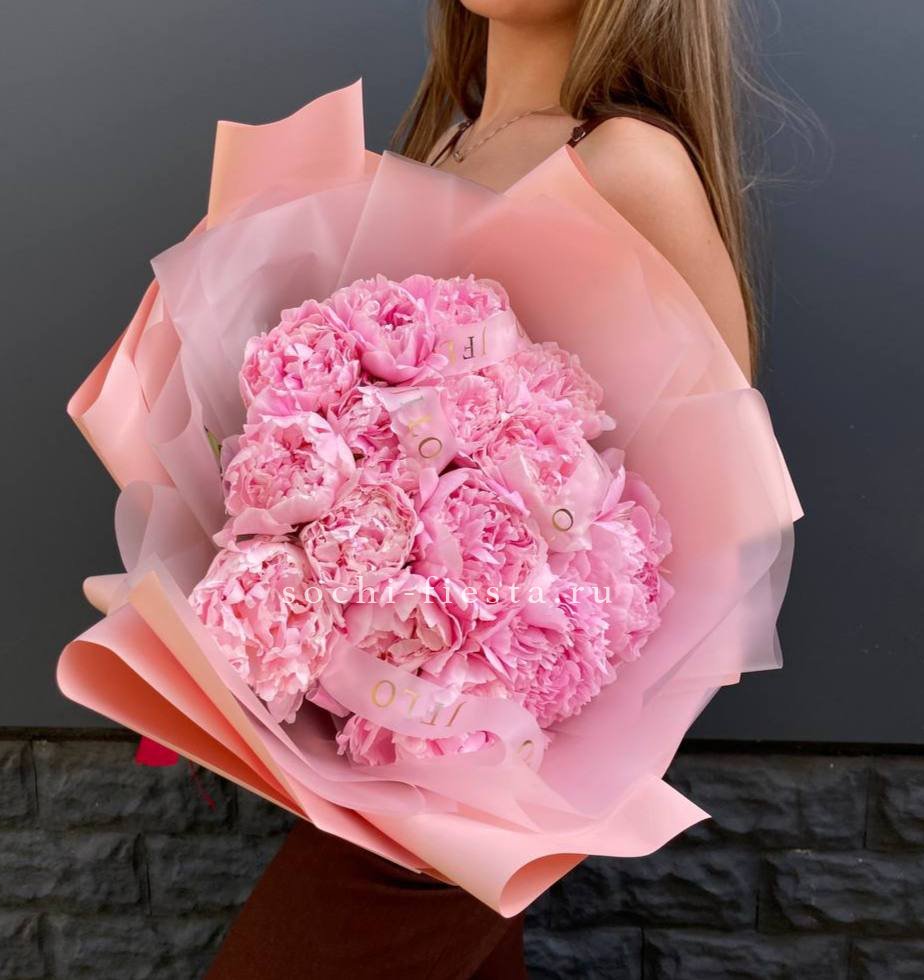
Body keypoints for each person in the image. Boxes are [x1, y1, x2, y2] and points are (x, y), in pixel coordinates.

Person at [208, 1, 758, 976]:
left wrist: (516, 699)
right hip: (374, 739)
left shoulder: (627, 162)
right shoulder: (438, 146)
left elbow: (727, 507)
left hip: (479, 759)